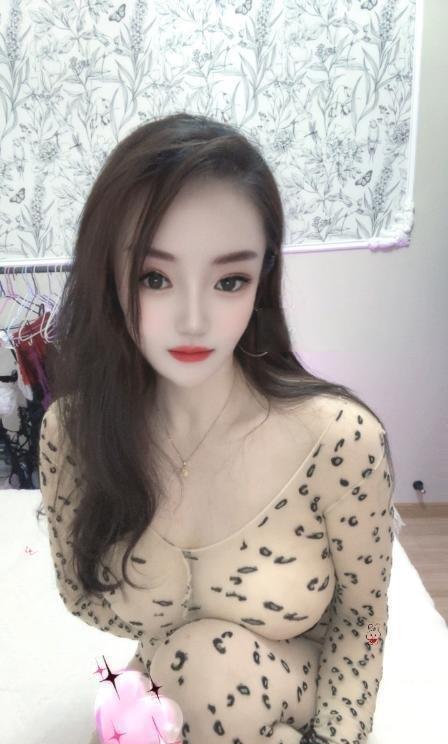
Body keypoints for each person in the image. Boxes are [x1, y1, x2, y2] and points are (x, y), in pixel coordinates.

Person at [37, 113, 400, 744]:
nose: (194, 319)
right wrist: (164, 644)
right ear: (108, 277)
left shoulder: (341, 440)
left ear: (262, 280)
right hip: (164, 680)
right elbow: (81, 593)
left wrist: (337, 737)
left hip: (295, 686)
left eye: (230, 280)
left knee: (206, 673)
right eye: (154, 278)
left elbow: (365, 620)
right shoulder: (72, 433)